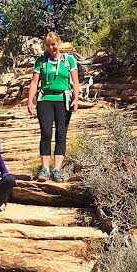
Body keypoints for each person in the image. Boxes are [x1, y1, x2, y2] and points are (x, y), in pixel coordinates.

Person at [27, 31, 79, 181]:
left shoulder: (69, 60)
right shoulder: (41, 61)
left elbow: (75, 82)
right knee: (46, 134)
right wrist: (30, 101)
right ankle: (44, 170)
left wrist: (76, 99)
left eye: (53, 44)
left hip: (63, 100)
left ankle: (57, 170)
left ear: (59, 43)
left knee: (61, 135)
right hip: (45, 100)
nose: (51, 48)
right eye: (48, 45)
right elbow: (34, 82)